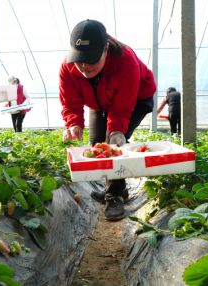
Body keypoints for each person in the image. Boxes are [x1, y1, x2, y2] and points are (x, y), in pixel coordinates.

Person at [59, 19, 156, 221]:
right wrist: (73, 123)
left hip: (136, 99)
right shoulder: (68, 68)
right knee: (97, 145)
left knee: (112, 145)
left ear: (105, 49)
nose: (84, 67)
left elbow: (120, 111)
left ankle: (114, 196)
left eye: (91, 60)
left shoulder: (125, 61)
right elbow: (70, 102)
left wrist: (117, 131)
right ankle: (118, 189)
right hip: (100, 101)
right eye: (80, 60)